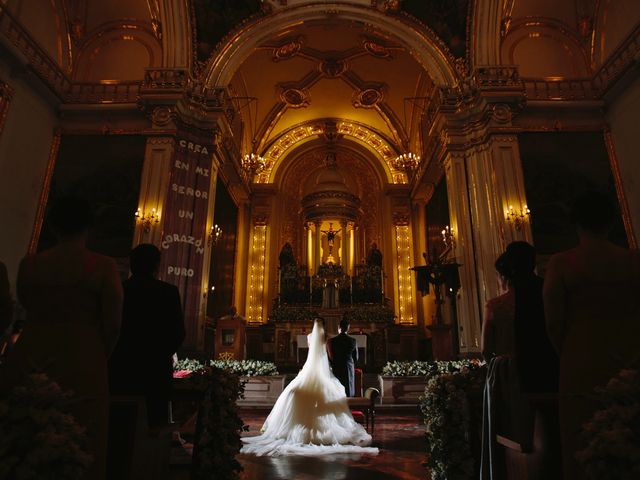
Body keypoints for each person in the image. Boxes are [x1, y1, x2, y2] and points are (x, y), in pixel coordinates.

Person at [0, 196, 123, 480]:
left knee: (25, 432)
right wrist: (98, 352)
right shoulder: (103, 266)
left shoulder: (29, 264)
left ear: (53, 226)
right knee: (83, 434)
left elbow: (24, 306)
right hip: (82, 355)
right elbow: (113, 323)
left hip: (30, 351)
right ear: (89, 227)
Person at [543, 191, 640, 480]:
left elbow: (553, 320)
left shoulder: (562, 263)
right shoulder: (633, 260)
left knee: (580, 430)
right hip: (630, 352)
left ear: (576, 225)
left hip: (580, 353)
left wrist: (568, 350)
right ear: (611, 223)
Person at [241, 318, 377, 456]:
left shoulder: (310, 337)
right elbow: (330, 355)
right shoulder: (327, 337)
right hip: (324, 370)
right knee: (332, 392)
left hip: (309, 368)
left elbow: (318, 353)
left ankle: (295, 424)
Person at [109, 243, 185, 428]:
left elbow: (110, 326)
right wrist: (161, 353)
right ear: (156, 265)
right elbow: (177, 332)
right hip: (156, 368)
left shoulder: (119, 289)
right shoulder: (168, 292)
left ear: (131, 264)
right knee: (154, 425)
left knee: (119, 423)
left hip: (122, 365)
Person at [327, 318, 358, 397]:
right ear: (348, 328)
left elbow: (330, 356)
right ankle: (349, 403)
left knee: (337, 388)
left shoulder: (332, 341)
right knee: (348, 388)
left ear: (338, 328)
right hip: (348, 366)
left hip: (336, 366)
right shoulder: (353, 340)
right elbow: (356, 357)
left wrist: (334, 363)